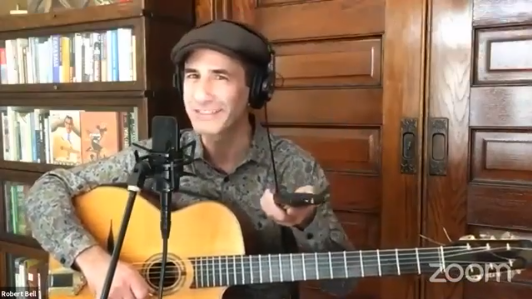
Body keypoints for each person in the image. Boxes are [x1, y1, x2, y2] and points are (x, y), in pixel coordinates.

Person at [24, 20, 358, 299]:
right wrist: (93, 261)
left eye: (220, 77)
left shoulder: (293, 167)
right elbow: (47, 189)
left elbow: (342, 282)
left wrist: (305, 223)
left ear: (256, 89)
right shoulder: (154, 154)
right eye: (193, 75)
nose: (201, 94)